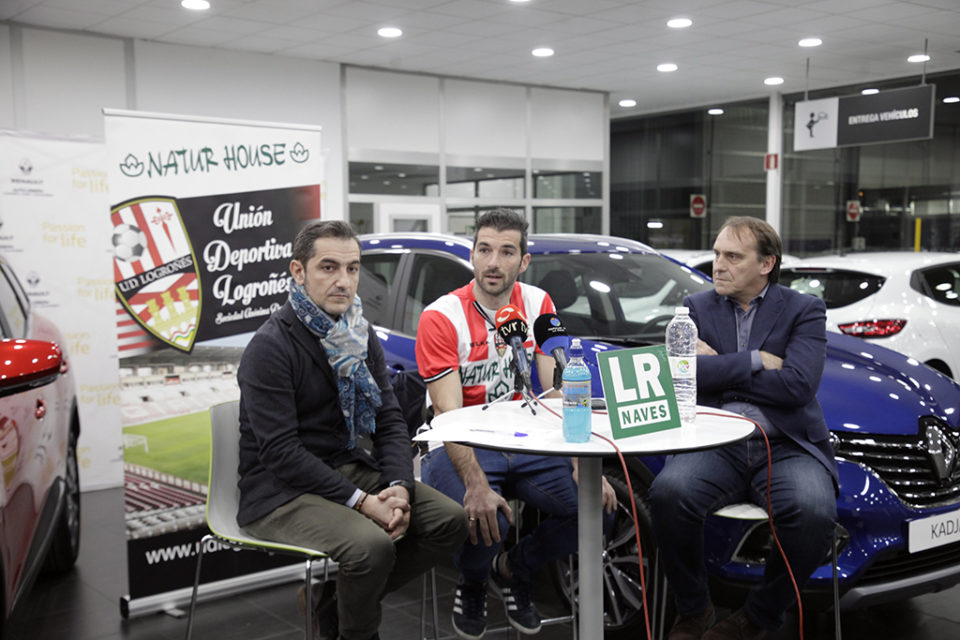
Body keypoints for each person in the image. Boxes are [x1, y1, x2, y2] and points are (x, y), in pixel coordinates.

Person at [236, 220, 469, 640]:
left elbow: (390, 419)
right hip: (279, 489)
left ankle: (336, 602)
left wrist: (399, 484)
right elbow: (280, 453)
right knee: (371, 546)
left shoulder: (358, 334)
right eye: (328, 267)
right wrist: (362, 502)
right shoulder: (270, 346)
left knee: (451, 520)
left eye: (353, 268)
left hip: (346, 467)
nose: (344, 281)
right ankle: (355, 630)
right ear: (297, 271)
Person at [415, 207, 616, 640]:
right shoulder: (441, 316)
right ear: (472, 254)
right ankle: (472, 581)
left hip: (528, 438)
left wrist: (584, 458)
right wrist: (474, 483)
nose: (493, 262)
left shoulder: (538, 304)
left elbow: (555, 390)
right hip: (463, 442)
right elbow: (449, 417)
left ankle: (511, 570)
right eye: (484, 249)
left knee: (600, 508)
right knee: (488, 520)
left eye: (507, 252)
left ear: (523, 261)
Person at [648, 216, 838, 640]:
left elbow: (798, 385)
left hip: (785, 443)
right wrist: (756, 360)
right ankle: (694, 610)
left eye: (733, 256)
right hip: (717, 443)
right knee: (667, 494)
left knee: (813, 512)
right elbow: (687, 377)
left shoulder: (803, 309)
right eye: (717, 254)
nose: (718, 264)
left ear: (766, 263)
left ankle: (758, 617)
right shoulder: (696, 307)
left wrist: (720, 364)